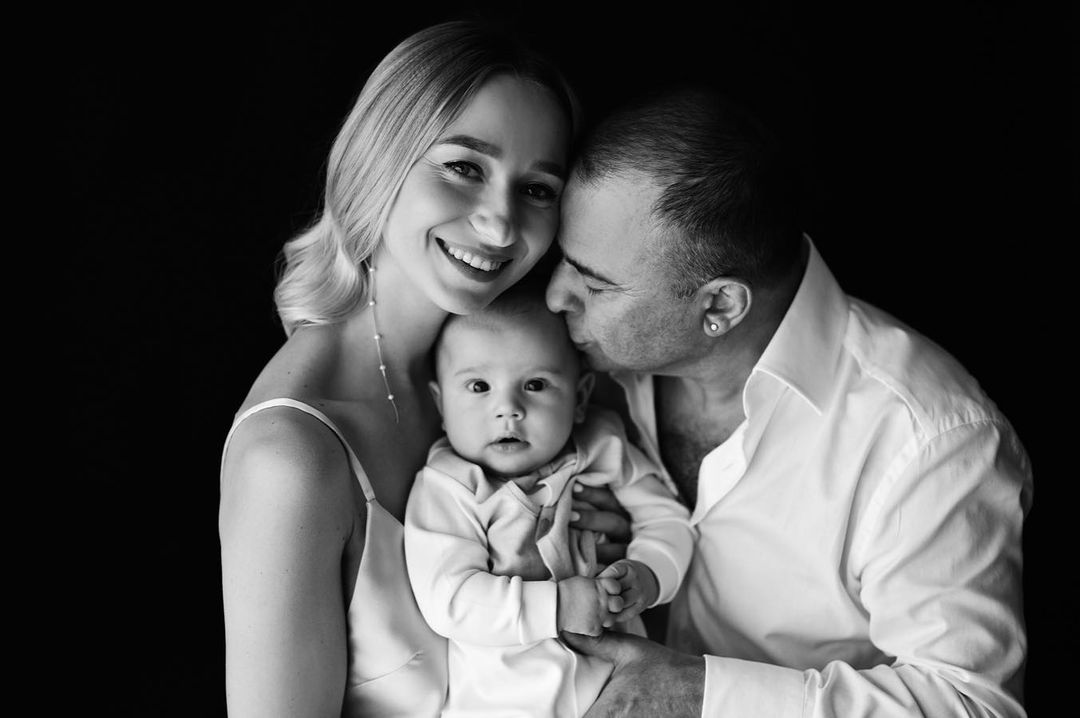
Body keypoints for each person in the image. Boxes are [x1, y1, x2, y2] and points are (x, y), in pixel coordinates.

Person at [544, 85, 1033, 717]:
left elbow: (971, 705)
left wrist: (697, 693)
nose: (554, 296)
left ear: (720, 305)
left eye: (595, 285)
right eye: (563, 258)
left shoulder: (928, 439)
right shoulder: (568, 365)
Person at [217, 20, 582, 717]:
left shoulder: (531, 373)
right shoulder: (290, 460)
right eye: (464, 168)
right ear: (380, 159)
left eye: (538, 189)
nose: (501, 225)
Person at [404, 287, 694, 717]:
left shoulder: (602, 446)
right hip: (507, 704)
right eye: (479, 386)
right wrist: (559, 605)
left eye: (535, 385)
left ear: (579, 398)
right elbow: (450, 600)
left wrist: (650, 573)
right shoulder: (449, 487)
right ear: (441, 404)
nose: (508, 409)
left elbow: (667, 519)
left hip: (626, 691)